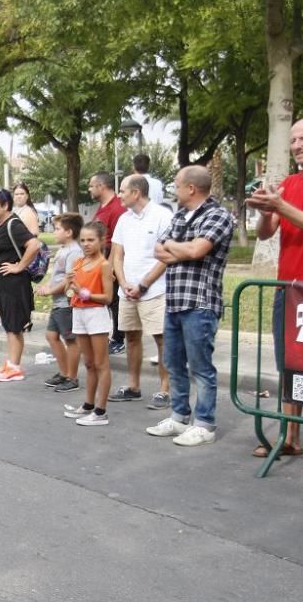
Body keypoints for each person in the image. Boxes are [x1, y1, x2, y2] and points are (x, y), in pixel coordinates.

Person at [246, 116, 303, 474]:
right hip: (287, 290)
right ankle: (290, 438)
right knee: (289, 365)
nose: (296, 145)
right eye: (292, 140)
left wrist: (281, 207)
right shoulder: (289, 184)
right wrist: (265, 212)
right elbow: (266, 234)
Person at [148, 165, 234, 446]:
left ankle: (205, 424)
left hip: (200, 301)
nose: (174, 188)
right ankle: (179, 417)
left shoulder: (217, 215)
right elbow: (158, 250)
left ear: (191, 188)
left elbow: (198, 251)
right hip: (175, 301)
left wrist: (177, 247)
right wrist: (181, 248)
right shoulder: (181, 215)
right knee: (173, 363)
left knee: (201, 366)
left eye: (176, 184)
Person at [109, 175, 174, 409]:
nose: (120, 194)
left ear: (136, 193)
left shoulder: (162, 216)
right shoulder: (123, 220)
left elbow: (166, 257)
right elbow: (117, 255)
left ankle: (165, 389)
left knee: (161, 339)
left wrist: (143, 285)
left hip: (155, 290)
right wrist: (124, 282)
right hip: (127, 291)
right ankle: (134, 386)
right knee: (131, 337)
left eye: (123, 190)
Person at [0, 189, 41, 382]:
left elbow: (34, 245)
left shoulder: (13, 224)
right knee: (9, 325)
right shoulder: (2, 225)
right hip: (2, 285)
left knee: (14, 326)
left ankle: (15, 368)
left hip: (12, 286)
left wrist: (19, 266)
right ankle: (10, 363)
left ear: (5, 206)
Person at [63, 221, 115, 425]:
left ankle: (101, 411)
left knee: (101, 363)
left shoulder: (104, 265)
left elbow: (108, 297)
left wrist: (84, 293)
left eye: (91, 240)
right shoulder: (79, 262)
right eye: (83, 240)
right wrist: (70, 284)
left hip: (95, 314)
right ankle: (88, 404)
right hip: (79, 312)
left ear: (102, 241)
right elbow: (70, 290)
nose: (86, 244)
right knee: (89, 363)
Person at [38, 213, 84, 394]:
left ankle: (72, 378)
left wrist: (50, 290)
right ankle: (64, 373)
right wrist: (47, 286)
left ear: (69, 232)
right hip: (58, 303)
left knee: (71, 340)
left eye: (57, 229)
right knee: (51, 335)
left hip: (66, 303)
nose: (54, 232)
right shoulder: (64, 249)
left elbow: (69, 280)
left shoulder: (74, 252)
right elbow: (57, 276)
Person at [89, 172, 128, 355]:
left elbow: (118, 241)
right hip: (101, 259)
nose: (89, 189)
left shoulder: (117, 208)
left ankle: (119, 338)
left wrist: (110, 266)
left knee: (114, 300)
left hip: (112, 258)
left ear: (101, 186)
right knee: (106, 300)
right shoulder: (102, 207)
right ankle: (106, 335)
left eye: (91, 186)